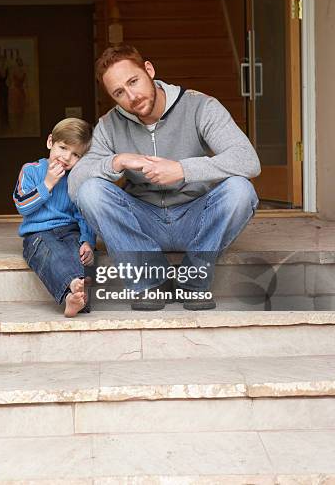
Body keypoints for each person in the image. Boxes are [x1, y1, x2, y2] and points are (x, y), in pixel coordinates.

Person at [67, 45, 261, 312]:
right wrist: (118, 160)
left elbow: (248, 160)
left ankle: (193, 278)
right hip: (143, 223)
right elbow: (76, 184)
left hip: (197, 218)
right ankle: (150, 280)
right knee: (91, 192)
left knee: (241, 190)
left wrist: (183, 169)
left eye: (133, 81)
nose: (132, 96)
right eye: (119, 93)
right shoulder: (109, 125)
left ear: (149, 70)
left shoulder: (199, 106)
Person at [13, 118, 96, 317]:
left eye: (76, 154)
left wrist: (88, 241)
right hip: (38, 233)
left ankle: (74, 297)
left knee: (79, 254)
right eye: (63, 147)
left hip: (69, 230)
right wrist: (47, 184)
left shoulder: (76, 178)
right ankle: (73, 289)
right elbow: (22, 206)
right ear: (50, 142)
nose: (67, 157)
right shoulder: (31, 170)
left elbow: (84, 213)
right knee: (51, 252)